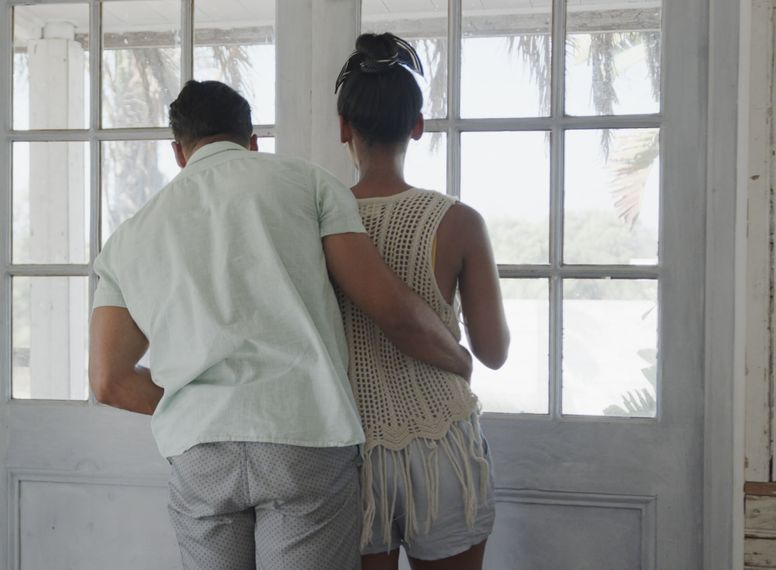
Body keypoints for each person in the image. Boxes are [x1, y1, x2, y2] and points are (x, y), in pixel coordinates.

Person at [88, 79, 473, 570]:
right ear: (252, 141)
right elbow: (389, 306)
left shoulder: (128, 239)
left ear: (178, 153)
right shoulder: (308, 183)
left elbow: (109, 381)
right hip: (303, 437)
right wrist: (457, 357)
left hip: (200, 448)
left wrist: (204, 403)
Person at [333, 34, 511, 570]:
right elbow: (494, 351)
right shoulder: (458, 221)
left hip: (351, 453)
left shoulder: (319, 222)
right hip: (442, 449)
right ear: (417, 126)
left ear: (344, 127)